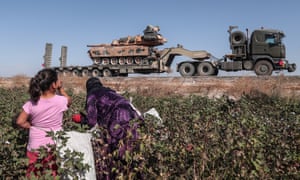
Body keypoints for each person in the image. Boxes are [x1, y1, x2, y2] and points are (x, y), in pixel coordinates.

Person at [84, 77, 143, 179]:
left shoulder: (92, 95)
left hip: (118, 118)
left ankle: (117, 174)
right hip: (132, 115)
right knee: (132, 146)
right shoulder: (110, 91)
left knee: (117, 149)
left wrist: (84, 121)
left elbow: (92, 120)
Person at [16, 68, 71, 177]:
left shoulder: (32, 102)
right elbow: (69, 100)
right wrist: (61, 89)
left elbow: (20, 122)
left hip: (35, 146)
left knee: (33, 173)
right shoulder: (61, 101)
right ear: (54, 85)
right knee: (52, 173)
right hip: (54, 146)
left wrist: (31, 126)